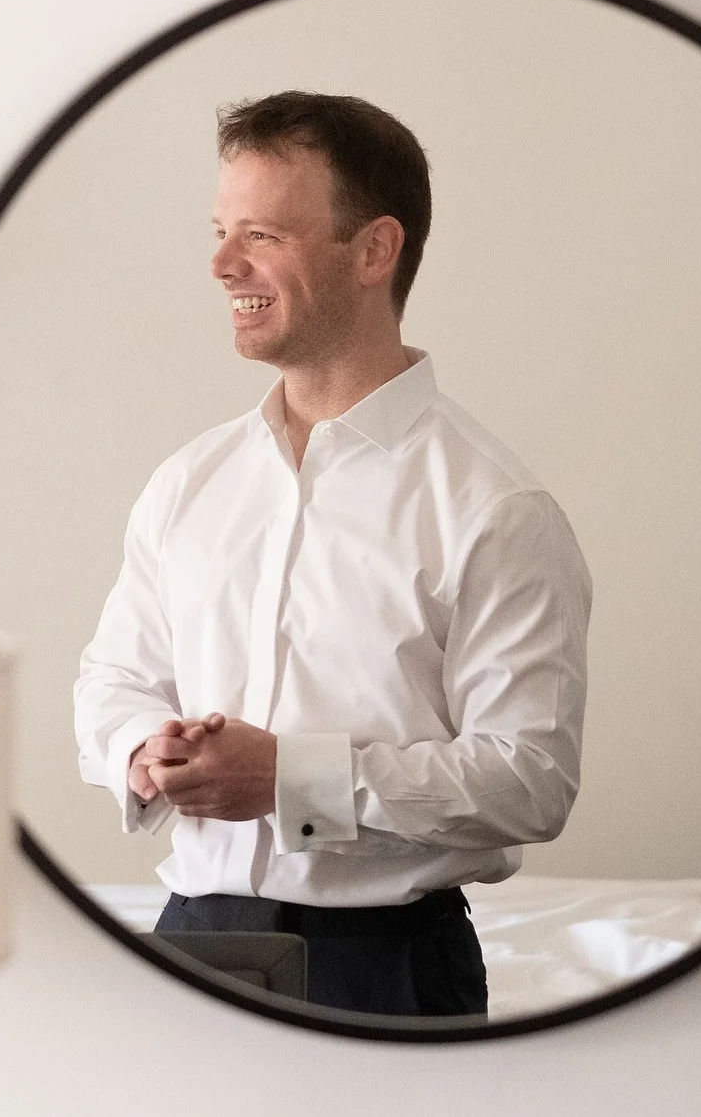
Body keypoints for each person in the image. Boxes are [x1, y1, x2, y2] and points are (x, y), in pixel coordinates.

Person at [73, 91, 591, 1017]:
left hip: (388, 968)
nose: (221, 262)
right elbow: (112, 676)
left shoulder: (498, 509)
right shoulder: (188, 483)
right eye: (221, 230)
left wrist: (286, 778)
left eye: (262, 234)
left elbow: (528, 780)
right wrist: (144, 751)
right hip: (189, 945)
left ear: (373, 250)